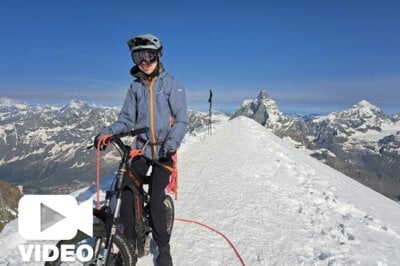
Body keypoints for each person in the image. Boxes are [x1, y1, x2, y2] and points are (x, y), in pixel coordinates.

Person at [94, 33, 187, 266]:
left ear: (158, 55)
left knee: (156, 201)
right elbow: (126, 119)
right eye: (138, 57)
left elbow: (182, 120)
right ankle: (130, 245)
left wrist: (171, 145)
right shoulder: (135, 87)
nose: (143, 62)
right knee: (125, 193)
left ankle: (163, 249)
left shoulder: (172, 85)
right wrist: (108, 132)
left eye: (148, 56)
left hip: (164, 152)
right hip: (142, 151)